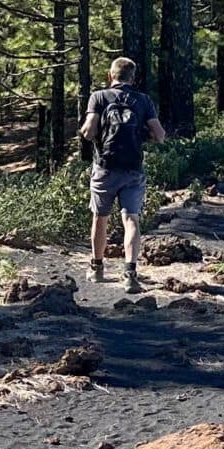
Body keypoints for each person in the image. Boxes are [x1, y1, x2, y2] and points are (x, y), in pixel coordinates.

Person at [79, 57, 168, 285]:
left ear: (111, 76)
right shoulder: (143, 100)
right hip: (133, 169)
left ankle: (97, 268)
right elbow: (160, 136)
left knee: (100, 218)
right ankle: (130, 274)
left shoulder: (99, 97)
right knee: (131, 219)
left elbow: (88, 132)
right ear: (133, 78)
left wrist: (88, 131)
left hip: (105, 167)